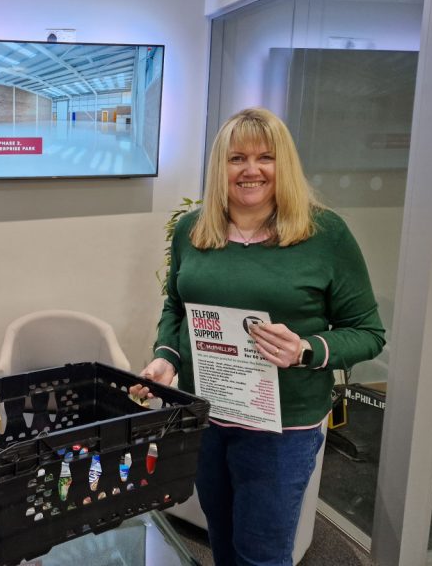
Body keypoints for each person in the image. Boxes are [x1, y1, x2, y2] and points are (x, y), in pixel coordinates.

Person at [132, 107, 385, 565]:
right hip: (207, 415)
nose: (251, 170)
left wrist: (308, 349)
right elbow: (177, 306)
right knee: (223, 543)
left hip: (281, 431)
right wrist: (167, 358)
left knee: (261, 555)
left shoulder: (325, 234)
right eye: (236, 158)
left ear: (282, 164)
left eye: (265, 157)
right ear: (220, 167)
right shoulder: (194, 230)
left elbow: (368, 333)